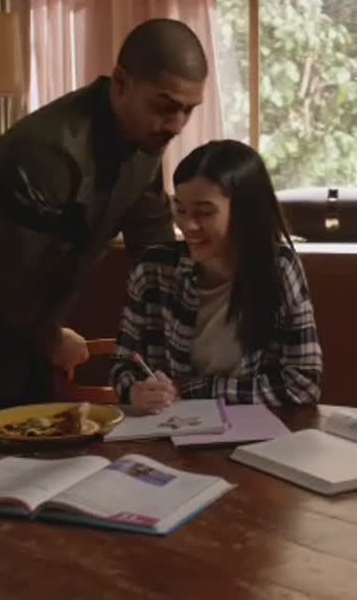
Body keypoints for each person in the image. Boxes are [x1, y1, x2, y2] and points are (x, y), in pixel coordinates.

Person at [0, 18, 207, 416]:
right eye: (165, 106)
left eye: (188, 110)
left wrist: (200, 323)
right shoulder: (48, 152)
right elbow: (7, 278)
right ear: (120, 83)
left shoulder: (146, 136)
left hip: (24, 347)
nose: (177, 125)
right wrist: (51, 339)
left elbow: (157, 254)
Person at [109, 139, 322, 413]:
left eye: (204, 212)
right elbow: (124, 365)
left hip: (254, 429)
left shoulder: (278, 268)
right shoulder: (152, 269)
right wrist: (134, 390)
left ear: (245, 212)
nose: (188, 225)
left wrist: (192, 390)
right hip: (168, 426)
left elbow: (304, 383)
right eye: (180, 209)